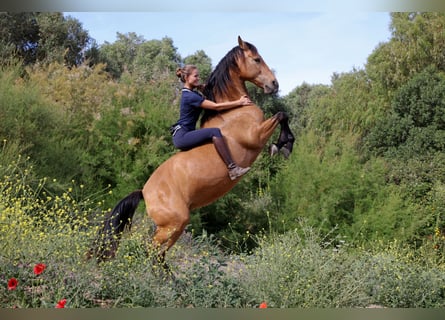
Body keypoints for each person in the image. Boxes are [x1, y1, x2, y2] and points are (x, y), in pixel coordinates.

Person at [171, 64, 252, 180]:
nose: (198, 78)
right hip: (182, 136)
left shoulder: (191, 93)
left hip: (183, 133)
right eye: (195, 76)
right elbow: (216, 107)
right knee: (214, 132)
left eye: (198, 76)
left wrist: (201, 88)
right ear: (187, 78)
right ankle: (233, 168)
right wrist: (239, 102)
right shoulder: (190, 96)